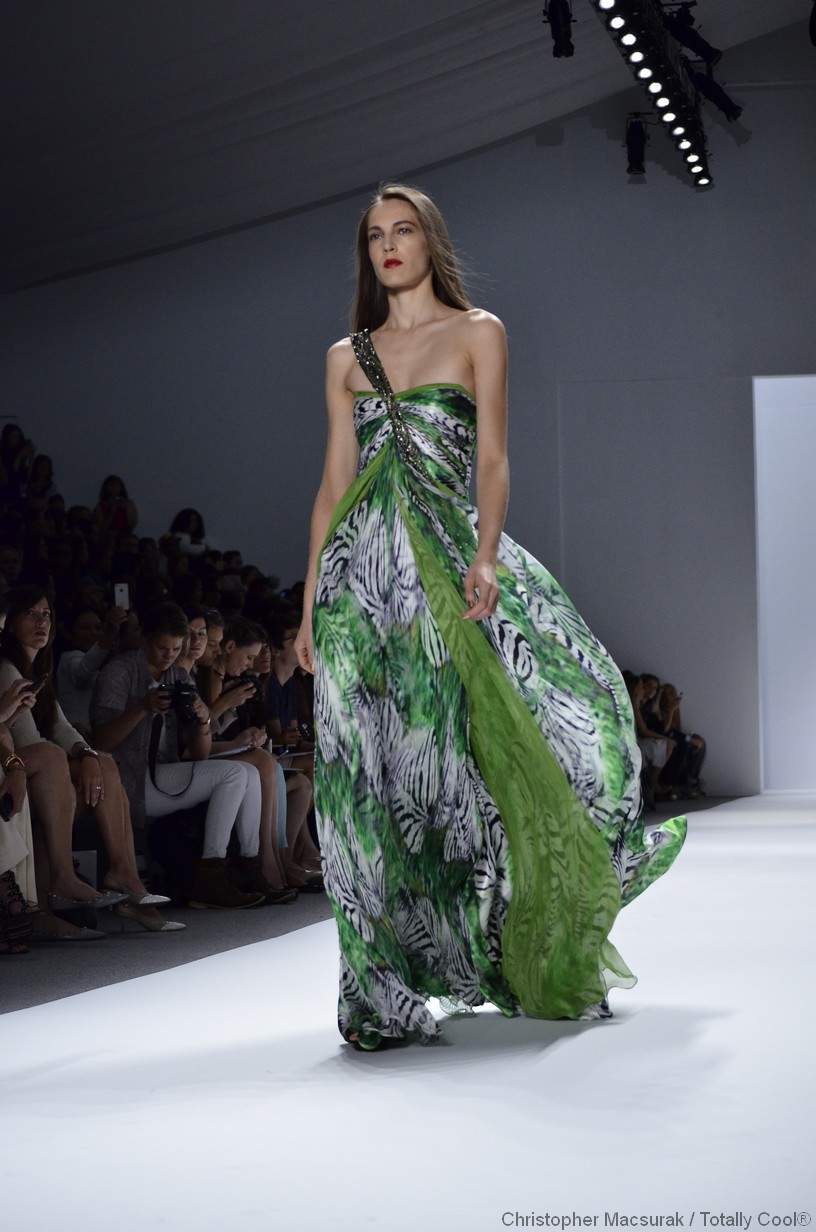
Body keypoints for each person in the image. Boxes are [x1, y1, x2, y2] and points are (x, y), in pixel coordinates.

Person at [295, 182, 687, 1050]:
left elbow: (495, 461)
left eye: (403, 230)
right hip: (360, 581)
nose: (388, 246)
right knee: (362, 775)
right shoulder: (345, 357)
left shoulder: (479, 333)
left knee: (467, 760)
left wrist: (484, 555)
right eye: (374, 235)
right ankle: (378, 989)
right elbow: (332, 486)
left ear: (429, 240)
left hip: (444, 560)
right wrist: (309, 598)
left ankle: (497, 942)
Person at [90, 602, 267, 910]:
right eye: (162, 648)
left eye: (175, 649)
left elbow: (199, 753)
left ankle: (249, 866)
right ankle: (210, 876)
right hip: (128, 780)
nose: (169, 656)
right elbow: (100, 741)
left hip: (164, 774)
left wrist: (204, 720)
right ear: (145, 639)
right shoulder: (119, 671)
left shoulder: (178, 677)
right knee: (236, 773)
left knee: (249, 772)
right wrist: (141, 708)